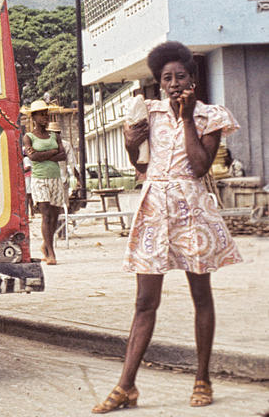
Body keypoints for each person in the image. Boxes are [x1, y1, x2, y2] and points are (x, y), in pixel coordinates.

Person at [92, 41, 242, 413]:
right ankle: (126, 386)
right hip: (155, 210)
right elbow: (138, 161)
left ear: (192, 78)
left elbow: (200, 167)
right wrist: (130, 145)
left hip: (192, 211)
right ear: (159, 82)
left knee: (200, 295)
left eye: (180, 76)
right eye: (166, 78)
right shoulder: (151, 112)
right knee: (145, 301)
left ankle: (202, 378)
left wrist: (187, 117)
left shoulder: (210, 116)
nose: (174, 83)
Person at [22, 99, 66, 265]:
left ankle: (45, 245)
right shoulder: (29, 137)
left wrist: (44, 154)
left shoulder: (55, 135)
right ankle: (50, 252)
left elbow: (63, 155)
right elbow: (32, 157)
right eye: (41, 114)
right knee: (46, 215)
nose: (45, 117)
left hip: (55, 178)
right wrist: (52, 152)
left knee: (55, 216)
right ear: (33, 117)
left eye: (46, 114)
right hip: (39, 179)